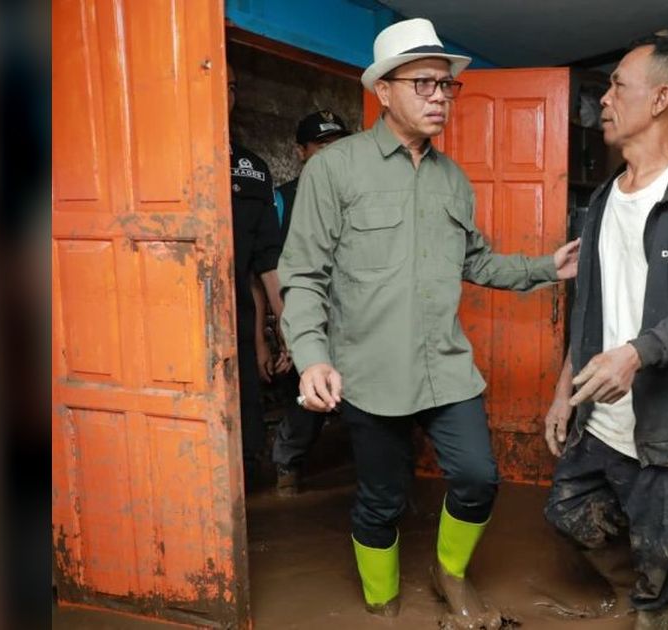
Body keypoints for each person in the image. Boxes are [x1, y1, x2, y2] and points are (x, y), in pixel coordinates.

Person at [277, 18, 580, 627]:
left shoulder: (453, 180)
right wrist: (311, 357)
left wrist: (546, 267)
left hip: (444, 365)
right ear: (383, 91)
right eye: (424, 83)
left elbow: (476, 261)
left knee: (478, 477)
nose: (440, 96)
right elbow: (303, 274)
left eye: (446, 85)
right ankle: (381, 601)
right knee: (382, 498)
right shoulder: (334, 170)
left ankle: (449, 571)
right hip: (369, 369)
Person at [540, 35, 668, 630]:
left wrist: (636, 354)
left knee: (659, 568)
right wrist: (564, 390)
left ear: (659, 99)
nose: (603, 100)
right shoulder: (605, 198)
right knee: (566, 511)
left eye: (616, 86)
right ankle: (636, 591)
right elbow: (590, 307)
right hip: (602, 415)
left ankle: (654, 604)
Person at [269, 110, 352, 497]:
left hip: (352, 313)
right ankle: (288, 464)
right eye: (321, 145)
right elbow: (268, 265)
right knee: (307, 395)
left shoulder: (357, 192)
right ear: (300, 151)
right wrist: (282, 324)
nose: (331, 152)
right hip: (305, 311)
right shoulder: (282, 200)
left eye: (338, 144)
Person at [227, 63, 283, 486]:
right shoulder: (151, 160)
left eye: (230, 86)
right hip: (168, 327)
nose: (223, 94)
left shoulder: (252, 169)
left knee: (245, 426)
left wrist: (284, 328)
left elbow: (266, 261)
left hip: (237, 323)